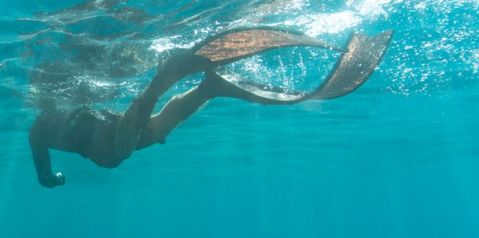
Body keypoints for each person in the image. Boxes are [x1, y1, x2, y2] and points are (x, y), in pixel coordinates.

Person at [29, 28, 394, 188]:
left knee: (120, 149)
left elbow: (45, 176)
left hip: (108, 136)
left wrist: (54, 179)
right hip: (109, 130)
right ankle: (208, 88)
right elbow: (45, 175)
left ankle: (166, 82)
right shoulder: (49, 121)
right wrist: (52, 178)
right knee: (148, 133)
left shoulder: (39, 129)